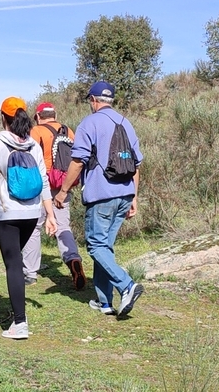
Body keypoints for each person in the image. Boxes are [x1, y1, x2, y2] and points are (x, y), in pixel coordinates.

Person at [0, 97, 57, 340]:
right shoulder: (33, 145)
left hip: (7, 213)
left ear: (3, 118)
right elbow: (44, 181)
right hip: (32, 212)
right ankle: (18, 315)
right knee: (16, 261)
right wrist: (50, 214)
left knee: (13, 264)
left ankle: (20, 323)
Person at [53, 81, 144, 317]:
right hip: (124, 193)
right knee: (105, 246)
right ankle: (104, 302)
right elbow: (136, 165)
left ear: (93, 101)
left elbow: (78, 161)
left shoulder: (89, 123)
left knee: (95, 246)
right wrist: (134, 196)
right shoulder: (126, 123)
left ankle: (126, 285)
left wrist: (63, 191)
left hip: (101, 195)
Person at [23, 102, 86, 289]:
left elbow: (29, 158)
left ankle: (30, 272)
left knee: (35, 227)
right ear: (55, 114)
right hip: (63, 185)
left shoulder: (36, 131)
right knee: (62, 226)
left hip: (42, 185)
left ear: (37, 116)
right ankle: (73, 258)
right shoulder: (69, 131)